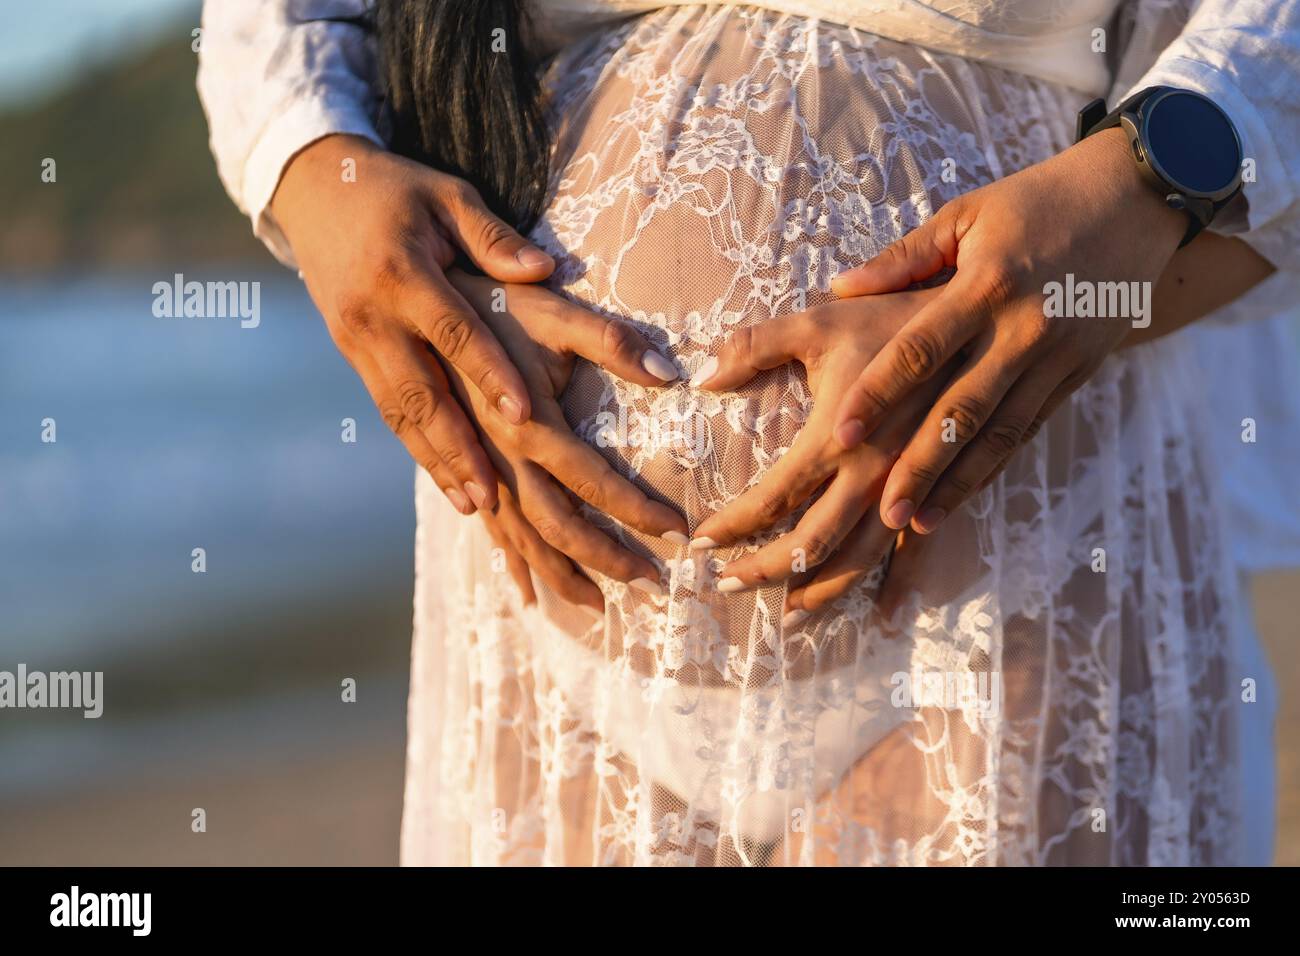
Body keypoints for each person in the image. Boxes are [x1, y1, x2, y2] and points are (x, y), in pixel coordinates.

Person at [198, 0, 1299, 865]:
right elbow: (281, 22)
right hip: (545, 597)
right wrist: (315, 175)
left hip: (1010, 547)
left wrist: (1158, 171)